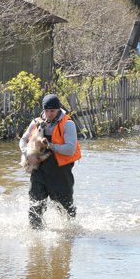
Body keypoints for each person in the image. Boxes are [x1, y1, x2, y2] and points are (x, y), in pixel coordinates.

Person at [19, 94, 81, 229]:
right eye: (46, 111)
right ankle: (36, 242)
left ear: (59, 109)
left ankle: (69, 241)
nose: (49, 114)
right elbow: (23, 140)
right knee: (35, 207)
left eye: (52, 111)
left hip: (60, 172)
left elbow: (70, 149)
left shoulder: (68, 124)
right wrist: (28, 154)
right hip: (39, 171)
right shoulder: (36, 122)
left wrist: (50, 146)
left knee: (66, 211)